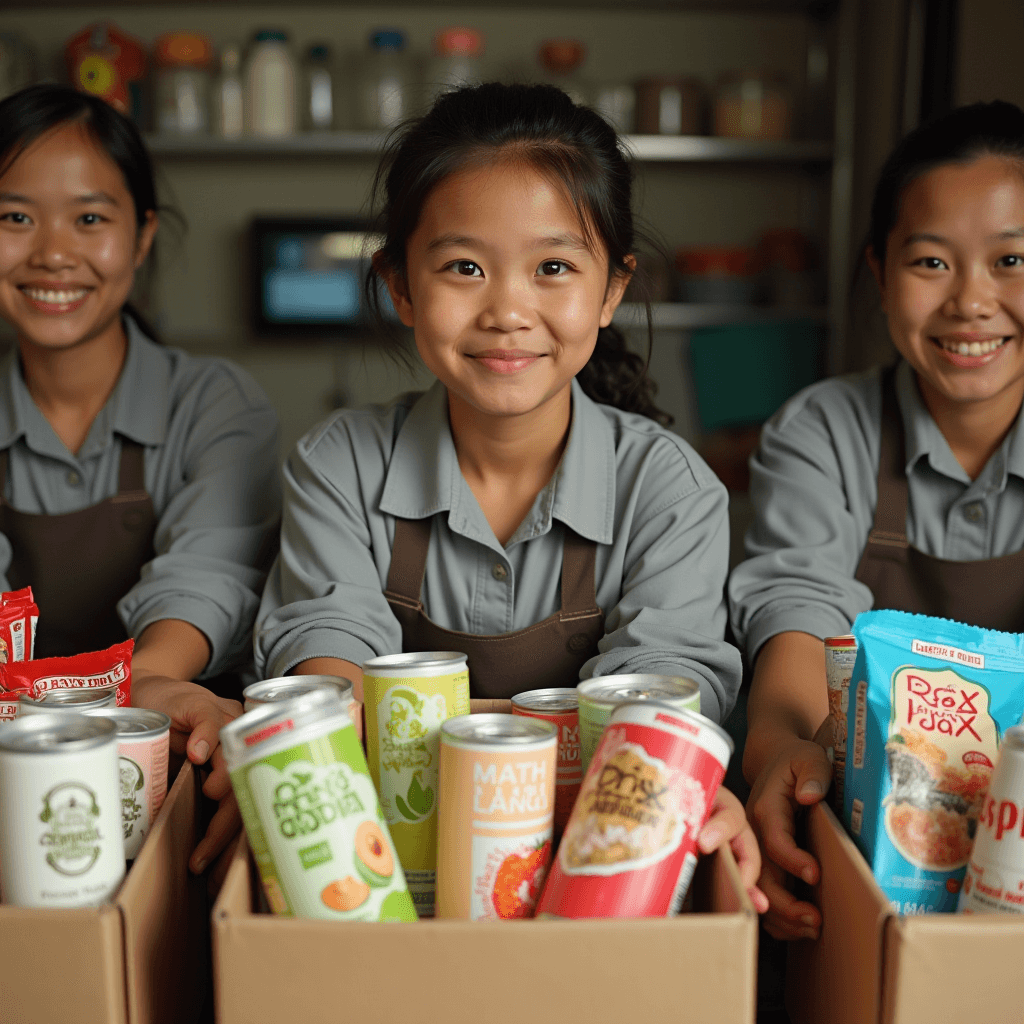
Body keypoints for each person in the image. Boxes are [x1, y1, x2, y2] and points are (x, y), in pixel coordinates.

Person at [255, 82, 764, 902]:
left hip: (593, 860)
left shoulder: (668, 489)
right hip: (388, 862)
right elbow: (329, 654)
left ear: (612, 290)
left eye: (553, 267)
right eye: (464, 267)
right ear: (401, 285)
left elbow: (662, 685)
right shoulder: (339, 464)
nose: (508, 310)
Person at [730, 100, 1024, 940]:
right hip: (868, 833)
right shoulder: (823, 431)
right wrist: (782, 751)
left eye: (1012, 259)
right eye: (931, 261)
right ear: (879, 272)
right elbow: (796, 611)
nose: (972, 301)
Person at [0, 84, 281, 873]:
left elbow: (211, 568)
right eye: (14, 217)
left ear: (143, 233)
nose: (53, 252)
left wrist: (153, 681)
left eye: (90, 218)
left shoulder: (216, 404)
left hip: (177, 760)